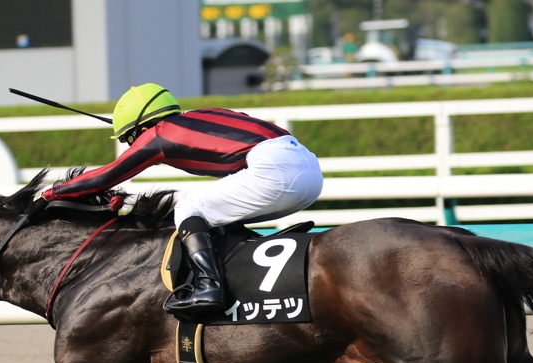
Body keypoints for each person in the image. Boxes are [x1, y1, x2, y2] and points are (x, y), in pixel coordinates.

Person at [41, 83, 323, 316]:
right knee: (215, 213)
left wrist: (50, 193)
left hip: (275, 168)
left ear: (141, 128)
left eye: (131, 139)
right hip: (308, 167)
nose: (134, 145)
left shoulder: (160, 134)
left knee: (189, 207)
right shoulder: (205, 115)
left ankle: (208, 287)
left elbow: (107, 176)